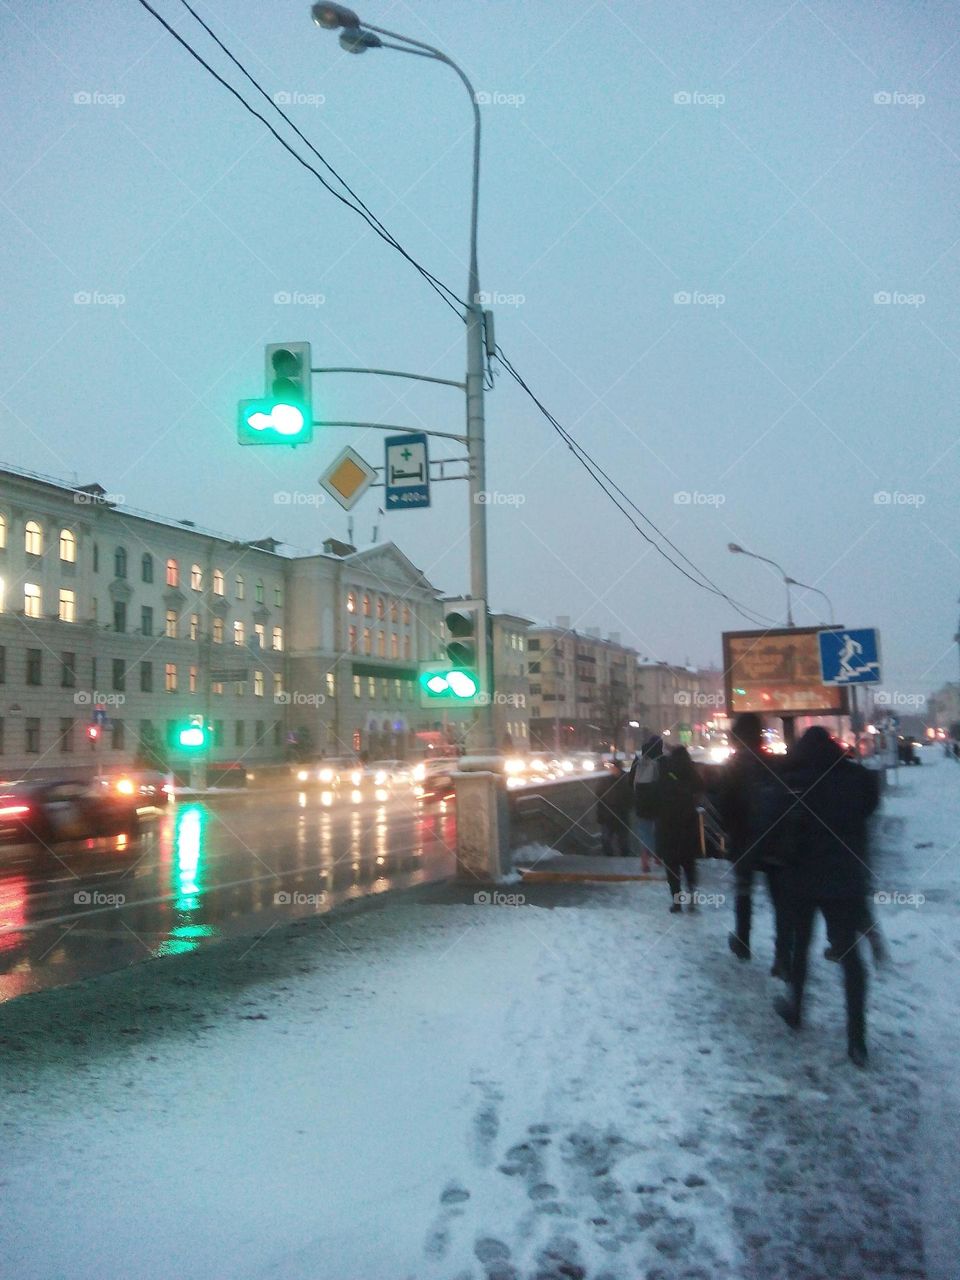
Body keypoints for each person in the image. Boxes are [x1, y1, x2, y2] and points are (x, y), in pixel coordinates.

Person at [774, 726, 880, 1067]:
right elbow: (870, 806)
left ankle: (796, 1009)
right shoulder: (856, 778)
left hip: (803, 879)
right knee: (850, 957)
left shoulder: (794, 780)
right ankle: (856, 1039)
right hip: (845, 880)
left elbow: (781, 828)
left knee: (801, 946)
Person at [716, 713, 793, 975]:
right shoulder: (775, 763)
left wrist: (730, 832)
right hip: (774, 844)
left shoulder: (733, 768)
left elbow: (722, 806)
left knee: (744, 893)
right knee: (780, 902)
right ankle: (783, 956)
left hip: (744, 843)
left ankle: (743, 941)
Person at [655, 745, 702, 912]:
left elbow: (657, 797)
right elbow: (700, 789)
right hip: (688, 826)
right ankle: (692, 898)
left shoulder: (666, 772)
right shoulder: (692, 772)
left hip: (669, 827)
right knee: (689, 866)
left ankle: (677, 902)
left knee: (672, 868)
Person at [628, 735, 663, 873]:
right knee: (659, 830)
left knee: (645, 831)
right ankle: (658, 856)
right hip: (658, 802)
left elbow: (630, 781)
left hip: (641, 801)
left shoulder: (638, 759)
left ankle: (644, 862)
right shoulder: (661, 760)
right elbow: (666, 780)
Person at [596, 757, 633, 857]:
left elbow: (630, 797)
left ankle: (623, 856)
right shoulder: (608, 780)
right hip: (608, 815)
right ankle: (611, 856)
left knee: (621, 839)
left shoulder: (625, 779)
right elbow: (599, 798)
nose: (611, 769)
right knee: (607, 839)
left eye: (612, 767)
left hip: (619, 814)